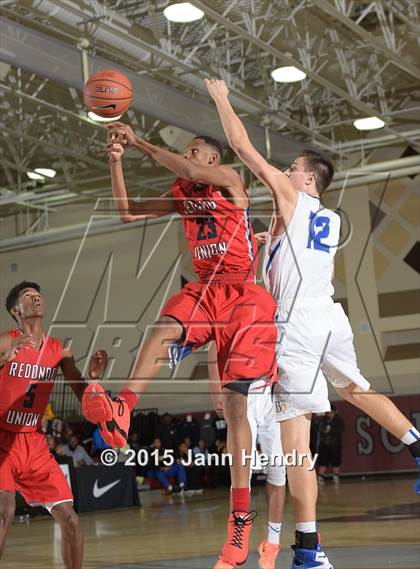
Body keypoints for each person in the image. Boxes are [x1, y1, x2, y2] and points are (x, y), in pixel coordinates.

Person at [206, 77, 420, 568]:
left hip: (296, 327)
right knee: (358, 390)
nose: (283, 171)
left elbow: (240, 145)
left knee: (294, 445)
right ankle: (417, 446)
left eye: (291, 169)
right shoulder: (325, 218)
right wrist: (270, 243)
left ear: (307, 181)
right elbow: (287, 260)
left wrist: (221, 98)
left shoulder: (294, 198)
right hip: (331, 316)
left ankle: (308, 549)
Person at [82, 120, 279, 566]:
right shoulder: (182, 193)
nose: (187, 158)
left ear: (213, 160)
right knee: (160, 330)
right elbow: (127, 212)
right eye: (186, 153)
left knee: (235, 408)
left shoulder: (230, 182)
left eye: (194, 153)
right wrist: (117, 163)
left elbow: (183, 169)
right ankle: (123, 409)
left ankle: (240, 519)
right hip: (206, 289)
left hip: (242, 295)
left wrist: (140, 142)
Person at [0, 281, 107, 568]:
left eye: (38, 295)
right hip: (2, 439)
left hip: (33, 442)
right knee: (4, 510)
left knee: (70, 519)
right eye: (28, 297)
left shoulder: (59, 350)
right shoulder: (6, 340)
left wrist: (94, 378)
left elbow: (81, 391)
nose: (36, 299)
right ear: (16, 311)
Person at [208, 341, 286, 569]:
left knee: (278, 470)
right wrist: (215, 391)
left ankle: (272, 543)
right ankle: (235, 545)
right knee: (242, 470)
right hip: (241, 391)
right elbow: (214, 348)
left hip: (272, 392)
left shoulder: (277, 309)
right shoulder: (233, 310)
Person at [317, 405, 345, 485]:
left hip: (335, 445)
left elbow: (341, 429)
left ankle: (336, 477)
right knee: (323, 462)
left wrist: (331, 429)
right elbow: (319, 429)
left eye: (331, 412)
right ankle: (320, 477)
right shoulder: (323, 420)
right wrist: (324, 429)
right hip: (324, 445)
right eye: (328, 412)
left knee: (336, 461)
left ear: (335, 412)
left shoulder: (339, 420)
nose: (329, 414)